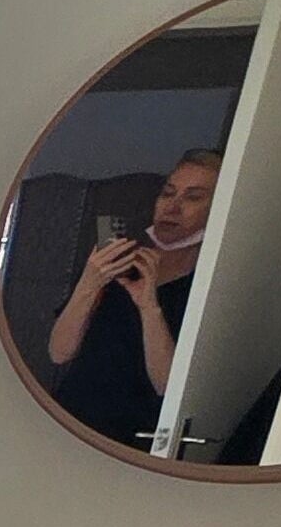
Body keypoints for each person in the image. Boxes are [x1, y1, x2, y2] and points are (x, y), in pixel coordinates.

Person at [46, 149, 218, 450]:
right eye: (168, 193)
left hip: (133, 445)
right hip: (66, 427)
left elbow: (169, 386)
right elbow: (59, 352)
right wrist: (89, 283)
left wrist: (149, 307)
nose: (173, 207)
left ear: (217, 208)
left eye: (193, 197)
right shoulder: (117, 266)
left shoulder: (207, 287)